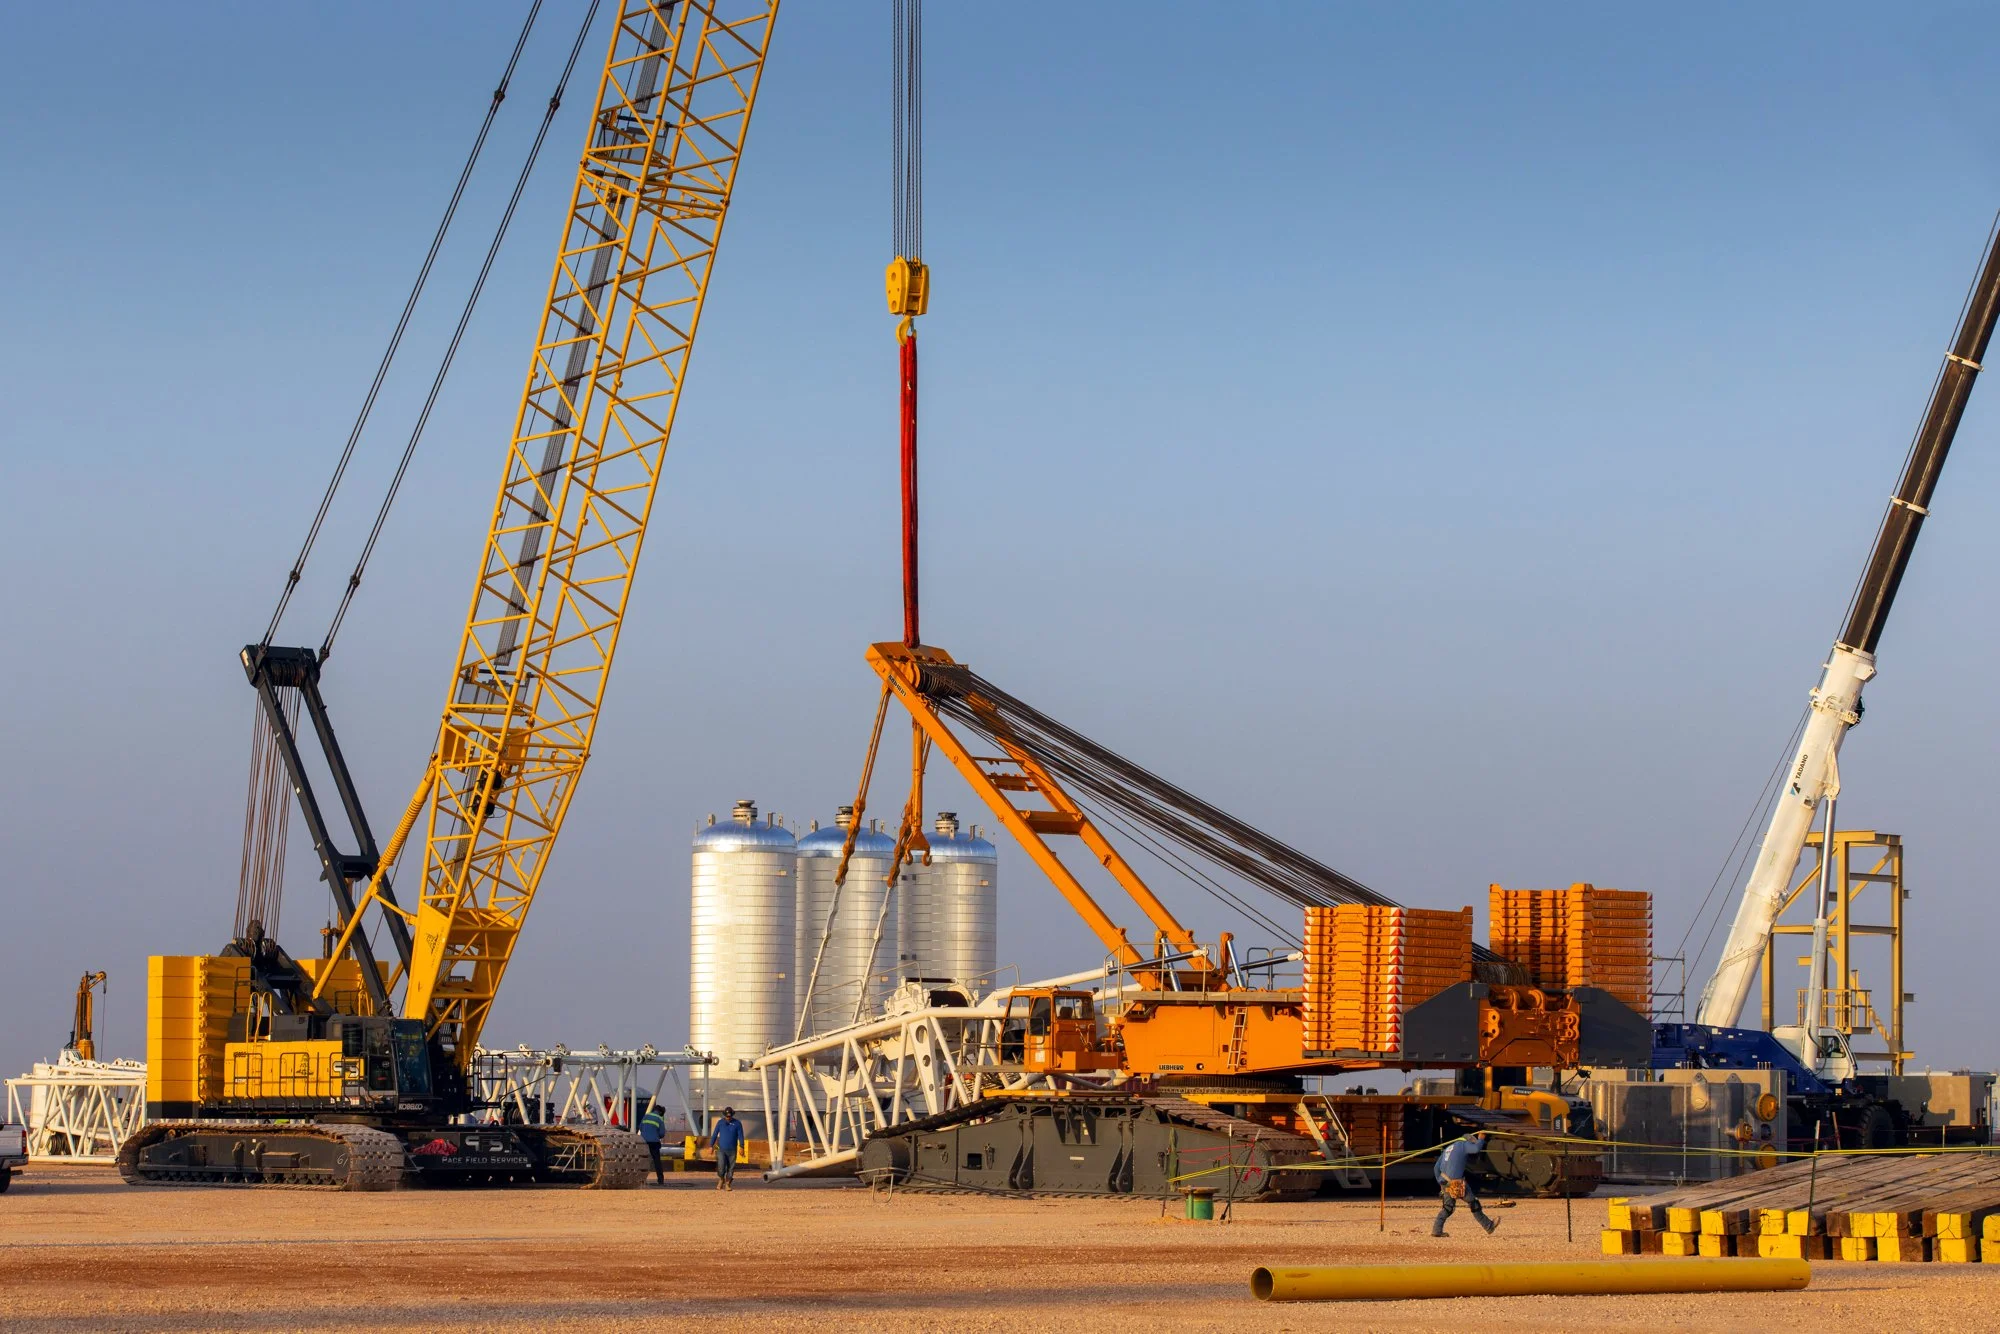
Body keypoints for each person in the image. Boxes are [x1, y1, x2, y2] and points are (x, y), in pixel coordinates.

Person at [1432, 1131, 1498, 1237]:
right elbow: (1476, 1149)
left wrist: (1441, 1183)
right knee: (1473, 1203)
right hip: (1456, 1182)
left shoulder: (1448, 1148)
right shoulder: (1463, 1145)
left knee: (1448, 1207)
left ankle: (1436, 1230)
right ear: (1468, 1141)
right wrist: (1481, 1138)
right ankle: (1489, 1226)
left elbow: (1436, 1168)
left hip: (1444, 1180)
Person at [709, 1107, 744, 1192]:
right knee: (721, 1167)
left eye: (730, 1116)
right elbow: (714, 1134)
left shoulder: (737, 1123)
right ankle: (721, 1179)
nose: (728, 1118)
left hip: (732, 1150)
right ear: (724, 1115)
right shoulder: (720, 1123)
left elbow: (740, 1136)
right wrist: (711, 1146)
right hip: (721, 1149)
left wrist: (742, 1146)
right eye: (727, 1116)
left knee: (731, 1168)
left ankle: (728, 1184)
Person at [638, 1100, 669, 1185]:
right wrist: (656, 1135)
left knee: (643, 1161)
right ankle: (660, 1180)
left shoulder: (646, 1116)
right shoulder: (659, 1119)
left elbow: (640, 1128)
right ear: (660, 1112)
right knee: (657, 1161)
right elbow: (662, 1133)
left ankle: (641, 1180)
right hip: (654, 1143)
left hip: (644, 1142)